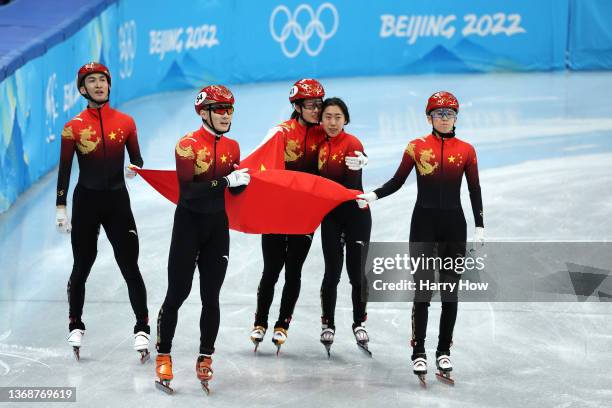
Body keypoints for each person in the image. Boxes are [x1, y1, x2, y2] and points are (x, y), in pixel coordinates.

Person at [358, 91, 484, 383]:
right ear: (429, 117)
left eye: (449, 114)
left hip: (455, 227)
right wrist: (374, 195)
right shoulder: (416, 147)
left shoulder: (466, 150)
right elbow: (397, 181)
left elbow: (474, 189)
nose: (444, 118)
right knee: (423, 293)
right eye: (439, 114)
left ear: (455, 117)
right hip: (423, 226)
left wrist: (480, 225)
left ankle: (443, 351)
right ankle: (418, 351)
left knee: (451, 293)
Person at [249, 79, 368, 353]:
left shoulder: (322, 134)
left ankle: (283, 323)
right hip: (277, 212)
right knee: (271, 270)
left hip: (304, 214)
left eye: (318, 104)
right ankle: (260, 321)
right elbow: (259, 159)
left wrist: (364, 159)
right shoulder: (280, 132)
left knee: (294, 271)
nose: (317, 110)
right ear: (297, 106)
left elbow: (346, 145)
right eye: (311, 105)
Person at [154, 85, 250, 395]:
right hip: (188, 226)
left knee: (212, 296)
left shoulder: (233, 147)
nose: (226, 115)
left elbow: (234, 191)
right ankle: (164, 354)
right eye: (220, 109)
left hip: (216, 228)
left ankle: (205, 356)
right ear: (204, 112)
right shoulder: (188, 144)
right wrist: (225, 180)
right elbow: (188, 192)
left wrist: (243, 181)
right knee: (178, 293)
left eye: (230, 109)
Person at [56, 62, 150, 361]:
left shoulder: (126, 122)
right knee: (83, 264)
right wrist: (61, 207)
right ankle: (75, 321)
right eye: (92, 81)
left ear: (109, 85)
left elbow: (137, 158)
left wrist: (136, 168)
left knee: (129, 265)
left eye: (102, 80)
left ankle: (142, 325)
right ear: (83, 89)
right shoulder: (73, 127)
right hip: (86, 202)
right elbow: (65, 169)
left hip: (117, 203)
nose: (98, 85)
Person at [317, 98, 372, 357]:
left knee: (356, 274)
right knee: (332, 274)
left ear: (345, 119)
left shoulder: (353, 143)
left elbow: (352, 179)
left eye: (337, 117)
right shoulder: (317, 144)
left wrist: (363, 161)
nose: (332, 122)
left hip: (356, 216)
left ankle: (359, 322)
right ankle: (328, 323)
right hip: (330, 216)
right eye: (327, 116)